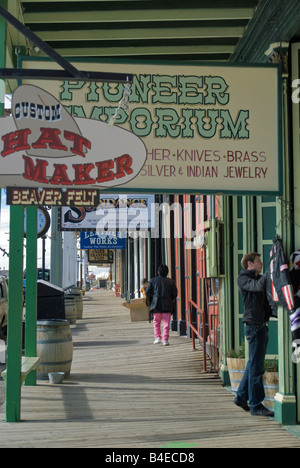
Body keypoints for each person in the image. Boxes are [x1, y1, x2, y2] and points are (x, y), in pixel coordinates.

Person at [234, 252, 274, 417]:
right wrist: (272, 270)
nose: (262, 263)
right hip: (254, 327)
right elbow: (257, 287)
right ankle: (256, 405)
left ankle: (241, 397)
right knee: (256, 368)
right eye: (259, 261)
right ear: (250, 264)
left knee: (253, 365)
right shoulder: (243, 279)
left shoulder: (256, 278)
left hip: (259, 326)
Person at [146, 264, 178, 346]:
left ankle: (157, 337)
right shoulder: (171, 282)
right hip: (167, 304)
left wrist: (151, 301)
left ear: (158, 272)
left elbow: (148, 292)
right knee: (166, 323)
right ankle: (165, 339)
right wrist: (170, 299)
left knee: (156, 321)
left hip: (156, 304)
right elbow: (175, 293)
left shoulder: (153, 281)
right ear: (167, 272)